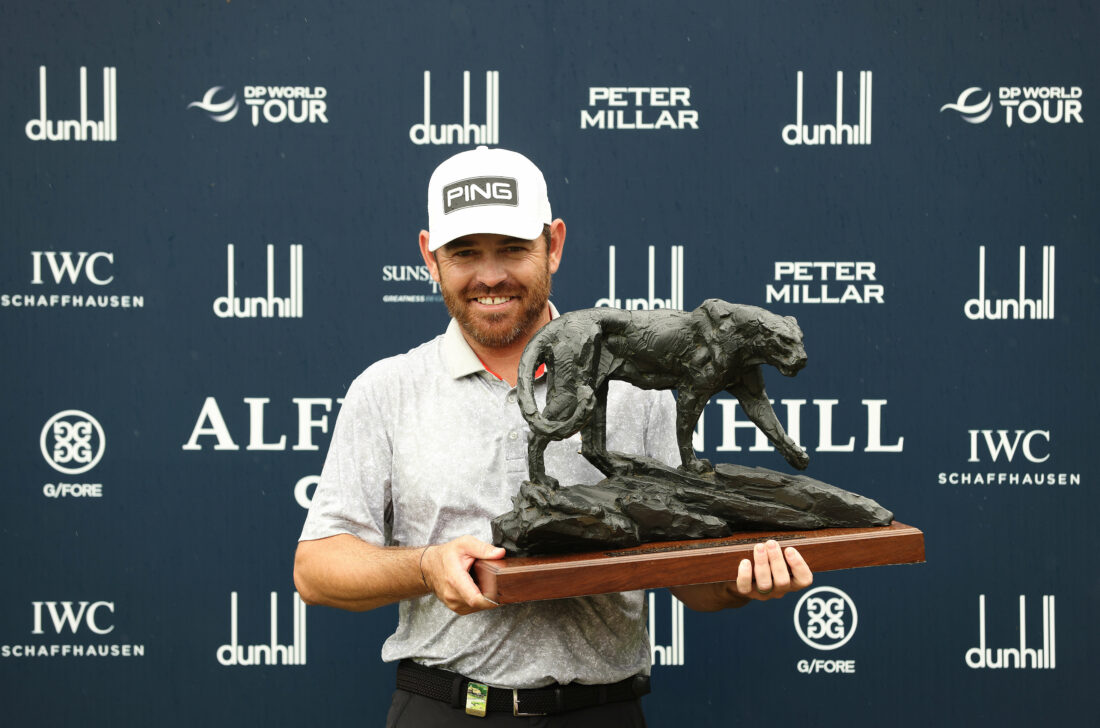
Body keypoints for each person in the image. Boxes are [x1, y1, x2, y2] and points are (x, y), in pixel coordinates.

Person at [293, 146, 814, 726]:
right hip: (443, 708)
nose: (490, 275)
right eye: (465, 253)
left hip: (600, 710)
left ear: (555, 245)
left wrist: (742, 580)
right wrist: (425, 568)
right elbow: (316, 569)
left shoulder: (642, 383)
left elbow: (690, 578)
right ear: (430, 257)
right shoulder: (386, 390)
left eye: (513, 250)